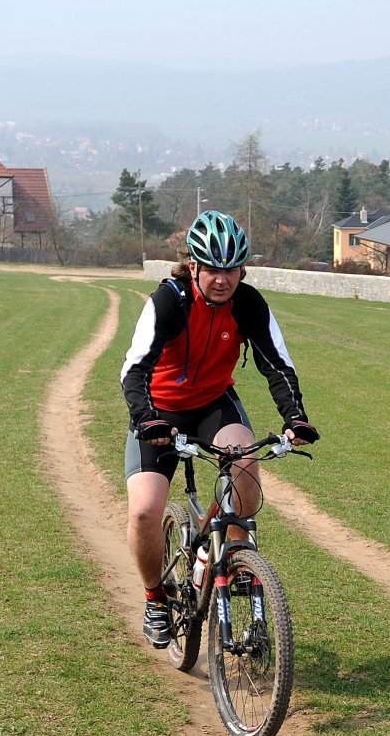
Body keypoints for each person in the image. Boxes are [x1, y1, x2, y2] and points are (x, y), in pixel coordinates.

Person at [121, 208, 319, 649]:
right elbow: (133, 371)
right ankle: (155, 597)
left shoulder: (248, 304)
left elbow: (277, 365)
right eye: (212, 268)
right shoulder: (169, 302)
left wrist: (296, 418)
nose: (221, 279)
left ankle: (231, 559)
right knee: (144, 511)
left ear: (242, 270)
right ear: (194, 265)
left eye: (231, 270)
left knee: (246, 471)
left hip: (213, 403)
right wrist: (147, 418)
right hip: (159, 412)